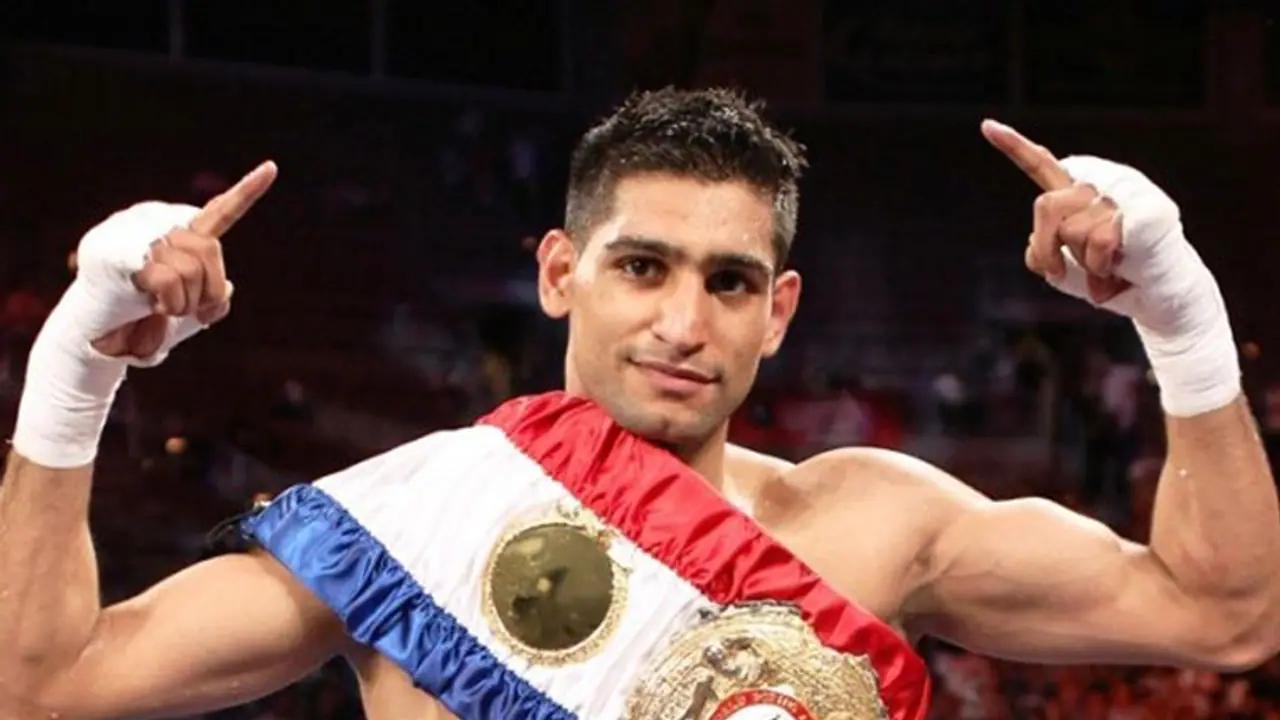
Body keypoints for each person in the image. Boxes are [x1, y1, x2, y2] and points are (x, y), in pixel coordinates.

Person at [0, 88, 1276, 720]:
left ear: (778, 311)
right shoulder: (410, 522)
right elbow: (41, 686)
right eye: (641, 267)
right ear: (561, 274)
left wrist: (1175, 309)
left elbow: (1223, 613)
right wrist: (77, 363)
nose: (681, 323)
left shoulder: (876, 523)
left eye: (728, 282)